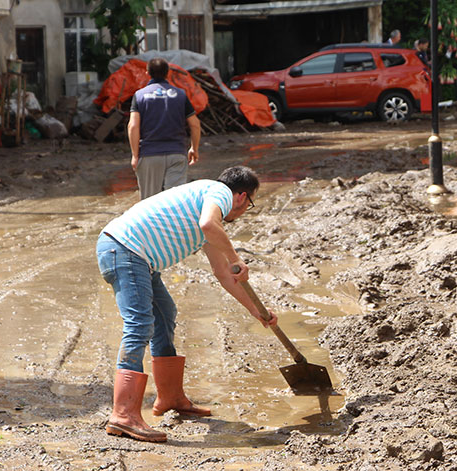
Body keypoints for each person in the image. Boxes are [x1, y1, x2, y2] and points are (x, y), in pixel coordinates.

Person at [96, 166, 278, 442]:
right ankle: (123, 415)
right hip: (124, 250)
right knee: (140, 324)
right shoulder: (218, 193)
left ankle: (170, 398)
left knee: (164, 314)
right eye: (248, 205)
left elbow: (224, 275)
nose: (241, 212)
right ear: (241, 197)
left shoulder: (208, 209)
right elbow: (209, 225)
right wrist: (236, 257)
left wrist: (257, 311)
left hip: (135, 257)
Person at [128, 57, 202, 200]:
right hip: (177, 154)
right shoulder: (180, 95)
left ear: (147, 72)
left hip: (149, 155)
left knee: (150, 204)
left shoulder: (140, 95)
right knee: (175, 201)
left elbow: (133, 126)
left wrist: (135, 155)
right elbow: (195, 124)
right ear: (167, 73)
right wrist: (194, 148)